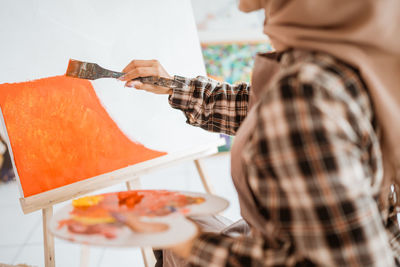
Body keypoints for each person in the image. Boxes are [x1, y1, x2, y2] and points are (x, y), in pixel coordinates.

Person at [119, 0, 400, 266]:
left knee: (178, 234)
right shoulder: (352, 65)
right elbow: (254, 108)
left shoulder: (305, 93)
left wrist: (191, 245)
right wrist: (174, 86)